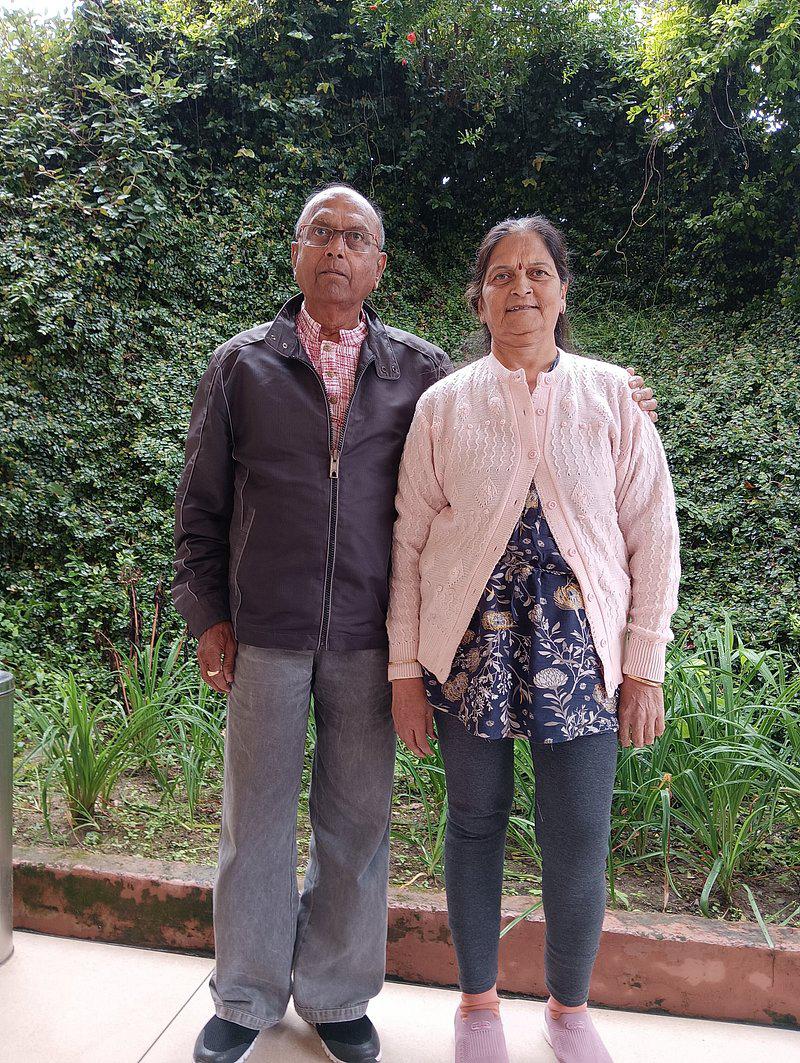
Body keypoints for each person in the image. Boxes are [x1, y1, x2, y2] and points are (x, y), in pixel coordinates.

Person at [172, 186, 660, 1063]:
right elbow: (202, 504)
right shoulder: (241, 365)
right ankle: (245, 995)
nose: (337, 249)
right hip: (273, 627)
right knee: (256, 819)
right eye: (321, 234)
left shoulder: (416, 370)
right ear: (296, 252)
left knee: (359, 822)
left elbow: (533, 409)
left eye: (356, 237)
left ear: (379, 265)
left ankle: (336, 995)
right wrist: (207, 613)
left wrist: (623, 393)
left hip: (370, 632)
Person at [387, 215, 680, 1063]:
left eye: (538, 272)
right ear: (478, 300)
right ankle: (477, 1003)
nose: (521, 287)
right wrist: (404, 669)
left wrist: (644, 663)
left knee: (578, 832)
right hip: (468, 647)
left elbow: (653, 532)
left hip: (583, 649)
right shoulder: (443, 405)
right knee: (475, 821)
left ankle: (568, 1007)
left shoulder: (612, 397)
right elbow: (407, 542)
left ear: (562, 290)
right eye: (502, 275)